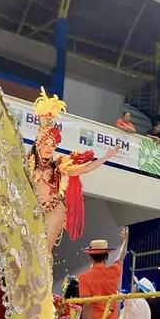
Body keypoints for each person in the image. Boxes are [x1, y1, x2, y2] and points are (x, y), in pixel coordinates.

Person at [27, 88, 119, 254]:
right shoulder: (27, 164)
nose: (49, 148)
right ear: (38, 144)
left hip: (52, 212)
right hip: (29, 209)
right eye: (46, 144)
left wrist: (106, 157)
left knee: (43, 253)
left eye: (52, 145)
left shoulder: (60, 167)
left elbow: (85, 168)